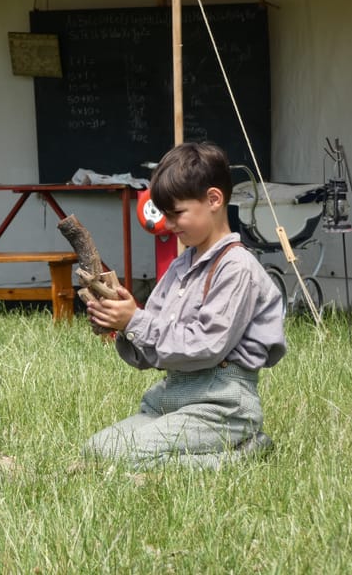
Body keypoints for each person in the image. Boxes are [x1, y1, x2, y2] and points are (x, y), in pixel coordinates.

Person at [83, 142, 286, 470]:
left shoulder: (237, 267)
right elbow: (156, 350)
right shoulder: (180, 267)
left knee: (134, 457)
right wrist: (119, 322)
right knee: (96, 450)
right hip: (173, 399)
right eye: (165, 214)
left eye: (177, 213)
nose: (169, 224)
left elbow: (207, 346)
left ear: (214, 200)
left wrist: (136, 320)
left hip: (221, 406)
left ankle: (245, 450)